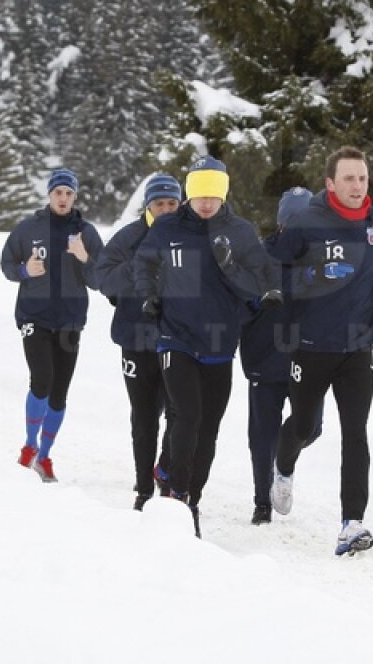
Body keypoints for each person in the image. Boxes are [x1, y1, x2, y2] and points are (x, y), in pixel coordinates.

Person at [134, 156, 278, 537]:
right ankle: (177, 497)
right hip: (176, 338)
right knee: (188, 415)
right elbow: (144, 265)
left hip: (219, 343)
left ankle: (192, 497)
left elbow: (259, 283)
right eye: (200, 194)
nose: (207, 202)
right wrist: (148, 295)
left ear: (223, 194)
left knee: (209, 429)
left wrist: (232, 269)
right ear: (189, 193)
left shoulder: (240, 232)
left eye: (214, 195)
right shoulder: (167, 227)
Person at [267, 146, 373, 555]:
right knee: (305, 427)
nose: (358, 186)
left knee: (355, 432)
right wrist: (313, 273)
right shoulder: (305, 223)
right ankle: (283, 468)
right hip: (312, 344)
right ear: (330, 183)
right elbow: (271, 273)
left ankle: (351, 524)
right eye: (348, 179)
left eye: (362, 178)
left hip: (358, 344)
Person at [0, 168, 104, 483]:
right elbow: (6, 264)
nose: (63, 198)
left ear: (75, 197)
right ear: (49, 194)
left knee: (59, 394)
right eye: (58, 192)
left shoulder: (86, 233)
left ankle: (44, 457)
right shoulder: (28, 228)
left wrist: (84, 258)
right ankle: (29, 446)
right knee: (42, 379)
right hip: (35, 316)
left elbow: (100, 279)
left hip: (70, 321)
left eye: (69, 193)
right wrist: (25, 271)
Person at [94, 173, 183, 511]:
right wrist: (140, 267)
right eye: (159, 203)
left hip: (178, 340)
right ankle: (144, 489)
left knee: (180, 413)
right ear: (148, 206)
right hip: (135, 340)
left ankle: (165, 471)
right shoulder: (129, 237)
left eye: (172, 203)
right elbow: (103, 279)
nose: (166, 209)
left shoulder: (191, 237)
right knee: (144, 418)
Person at [239, 186, 323, 526]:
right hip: (265, 358)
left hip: (309, 361)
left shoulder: (323, 260)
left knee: (311, 429)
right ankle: (263, 503)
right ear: (282, 223)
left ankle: (283, 463)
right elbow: (239, 304)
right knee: (262, 437)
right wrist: (255, 301)